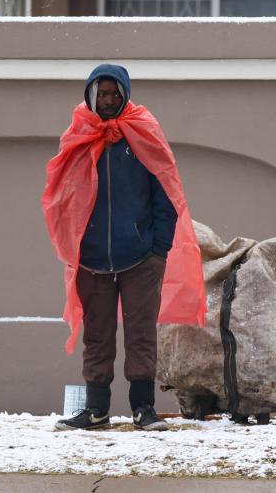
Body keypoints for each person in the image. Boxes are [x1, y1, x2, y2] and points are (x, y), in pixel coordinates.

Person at [42, 63, 206, 431]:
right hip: (92, 260)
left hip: (140, 258)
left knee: (141, 332)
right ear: (91, 95)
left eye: (115, 93)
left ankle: (142, 409)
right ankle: (96, 410)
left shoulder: (142, 132)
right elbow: (62, 193)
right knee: (97, 334)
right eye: (102, 93)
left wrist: (158, 248)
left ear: (125, 95)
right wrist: (75, 245)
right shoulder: (78, 135)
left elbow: (166, 190)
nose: (108, 100)